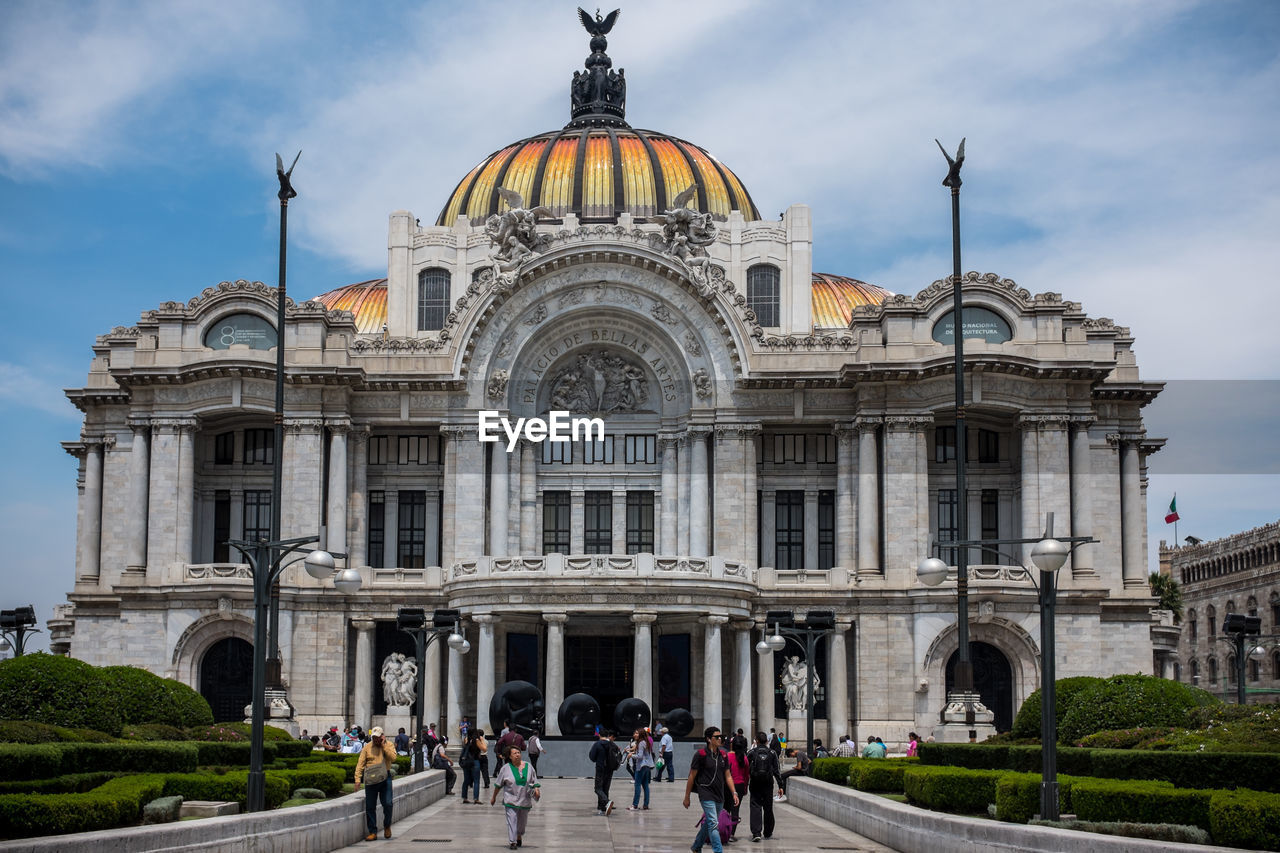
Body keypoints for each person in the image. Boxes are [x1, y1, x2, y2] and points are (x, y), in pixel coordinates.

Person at [683, 726, 739, 853]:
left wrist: (734, 792)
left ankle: (697, 846)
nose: (720, 739)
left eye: (721, 736)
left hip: (719, 794)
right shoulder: (700, 755)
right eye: (717, 737)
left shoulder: (723, 755)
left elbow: (728, 775)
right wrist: (687, 797)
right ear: (709, 739)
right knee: (714, 823)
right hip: (705, 793)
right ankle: (718, 850)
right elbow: (692, 776)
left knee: (710, 821)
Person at [491, 744, 540, 850]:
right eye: (515, 753)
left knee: (522, 825)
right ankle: (512, 842)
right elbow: (498, 784)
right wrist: (494, 797)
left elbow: (534, 781)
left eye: (519, 753)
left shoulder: (529, 766)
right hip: (511, 800)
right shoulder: (505, 769)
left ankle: (519, 836)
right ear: (510, 756)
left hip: (524, 800)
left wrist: (536, 791)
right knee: (511, 820)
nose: (517, 755)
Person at [355, 726, 397, 841]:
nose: (376, 740)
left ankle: (387, 825)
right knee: (370, 806)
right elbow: (360, 764)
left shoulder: (388, 745)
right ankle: (372, 831)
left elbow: (393, 758)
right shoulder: (367, 747)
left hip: (385, 778)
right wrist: (357, 779)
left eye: (378, 737)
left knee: (388, 804)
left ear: (382, 736)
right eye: (374, 737)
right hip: (371, 779)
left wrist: (383, 746)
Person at [746, 731, 784, 842]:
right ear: (767, 741)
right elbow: (777, 770)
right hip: (768, 784)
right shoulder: (772, 753)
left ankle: (756, 833)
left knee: (755, 807)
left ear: (756, 741)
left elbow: (745, 767)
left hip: (755, 783)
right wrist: (781, 785)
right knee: (768, 808)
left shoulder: (752, 752)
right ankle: (768, 832)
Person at [588, 729, 619, 816]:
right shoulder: (612, 744)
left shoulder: (597, 744)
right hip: (610, 769)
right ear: (608, 735)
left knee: (598, 788)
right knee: (605, 788)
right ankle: (602, 808)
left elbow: (592, 757)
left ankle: (607, 802)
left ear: (599, 735)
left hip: (600, 769)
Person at [724, 734, 749, 840]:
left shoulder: (726, 756)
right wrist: (745, 788)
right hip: (739, 785)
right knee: (735, 809)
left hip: (727, 785)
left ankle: (724, 830)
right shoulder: (744, 758)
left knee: (725, 809)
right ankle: (732, 834)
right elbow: (746, 775)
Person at [625, 727, 655, 811]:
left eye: (637, 733)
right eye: (634, 733)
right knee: (645, 786)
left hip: (641, 766)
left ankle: (635, 805)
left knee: (637, 785)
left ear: (641, 734)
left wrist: (631, 756)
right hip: (647, 766)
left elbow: (640, 756)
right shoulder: (645, 741)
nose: (634, 734)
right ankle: (645, 805)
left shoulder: (641, 743)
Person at [461, 728, 487, 803]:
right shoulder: (477, 740)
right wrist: (482, 740)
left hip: (466, 762)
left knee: (466, 780)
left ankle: (464, 798)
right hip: (475, 761)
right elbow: (484, 749)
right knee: (476, 780)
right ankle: (476, 798)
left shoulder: (466, 739)